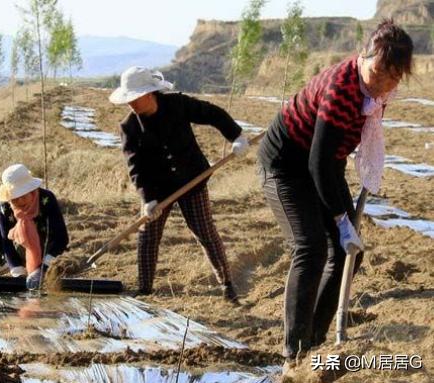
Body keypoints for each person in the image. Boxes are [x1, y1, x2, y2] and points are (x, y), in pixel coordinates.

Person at [256, 20, 413, 369]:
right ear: (364, 57)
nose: (383, 83)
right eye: (378, 72)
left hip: (325, 164)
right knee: (311, 246)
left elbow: (332, 159)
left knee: (349, 253)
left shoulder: (378, 91)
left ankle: (316, 339)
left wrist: (345, 224)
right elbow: (317, 161)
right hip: (285, 164)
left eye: (393, 77)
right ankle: (294, 351)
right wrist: (340, 218)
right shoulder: (342, 87)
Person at [109, 66, 250, 303]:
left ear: (150, 94)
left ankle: (227, 285)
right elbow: (136, 167)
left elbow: (213, 113)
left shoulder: (177, 105)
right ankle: (145, 289)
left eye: (135, 98)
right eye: (128, 99)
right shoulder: (129, 127)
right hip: (158, 190)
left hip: (191, 179)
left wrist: (236, 135)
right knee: (148, 235)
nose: (131, 104)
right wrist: (147, 200)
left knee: (205, 231)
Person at [0, 164, 69, 289]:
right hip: (17, 246)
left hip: (44, 248)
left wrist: (42, 269)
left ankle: (30, 264)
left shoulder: (46, 199)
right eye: (14, 198)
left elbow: (61, 239)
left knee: (24, 238)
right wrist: (17, 272)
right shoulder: (4, 207)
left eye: (23, 196)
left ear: (31, 190)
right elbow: (6, 243)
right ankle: (3, 263)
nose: (19, 202)